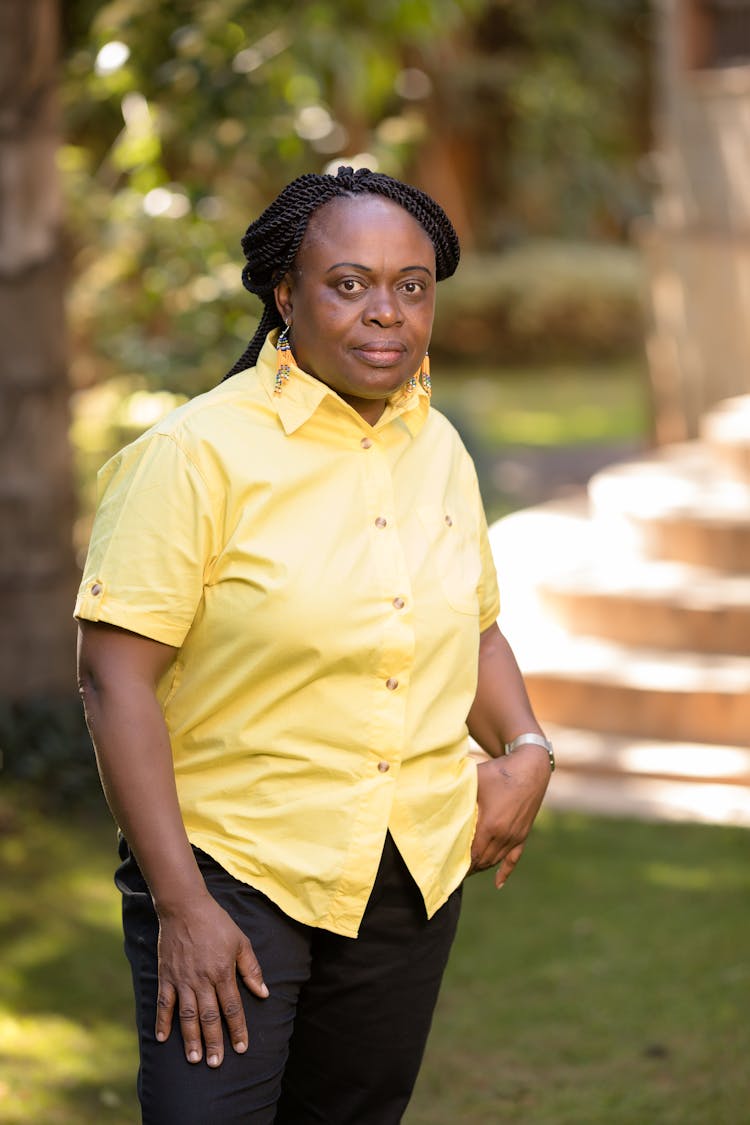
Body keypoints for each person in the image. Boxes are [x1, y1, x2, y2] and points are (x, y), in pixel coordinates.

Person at [75, 165, 554, 1125]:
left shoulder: (440, 447)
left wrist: (529, 748)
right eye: (349, 284)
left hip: (409, 871)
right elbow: (112, 678)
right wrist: (182, 906)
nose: (386, 313)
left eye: (411, 286)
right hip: (236, 868)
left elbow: (473, 623)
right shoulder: (193, 455)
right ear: (285, 296)